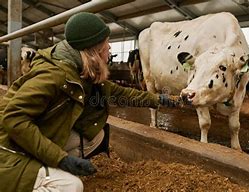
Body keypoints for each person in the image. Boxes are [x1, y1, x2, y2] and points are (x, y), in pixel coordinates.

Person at [0, 12, 178, 192]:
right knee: (72, 186)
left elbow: (121, 93)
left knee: (94, 134)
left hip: (30, 136)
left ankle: (49, 167)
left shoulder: (81, 70)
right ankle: (44, 174)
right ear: (95, 50)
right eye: (106, 43)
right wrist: (61, 159)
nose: (109, 47)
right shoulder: (54, 76)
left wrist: (158, 100)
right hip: (9, 150)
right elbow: (13, 119)